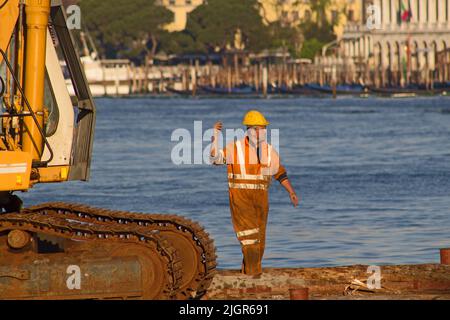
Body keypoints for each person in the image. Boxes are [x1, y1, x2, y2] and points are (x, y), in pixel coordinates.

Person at [210, 110, 299, 275]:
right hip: (241, 199)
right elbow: (215, 159)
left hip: (261, 201)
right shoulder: (234, 148)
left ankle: (248, 273)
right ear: (249, 130)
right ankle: (253, 278)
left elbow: (279, 173)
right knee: (249, 239)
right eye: (257, 129)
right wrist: (215, 137)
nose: (260, 132)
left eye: (263, 128)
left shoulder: (268, 150)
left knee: (259, 242)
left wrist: (291, 192)